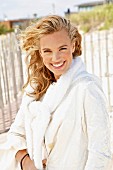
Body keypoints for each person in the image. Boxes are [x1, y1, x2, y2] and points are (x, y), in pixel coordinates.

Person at [0, 15, 112, 170]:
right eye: (47, 51)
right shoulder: (35, 89)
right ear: (40, 52)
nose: (55, 58)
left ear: (73, 46)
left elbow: (101, 153)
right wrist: (26, 161)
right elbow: (15, 134)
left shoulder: (87, 89)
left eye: (62, 48)